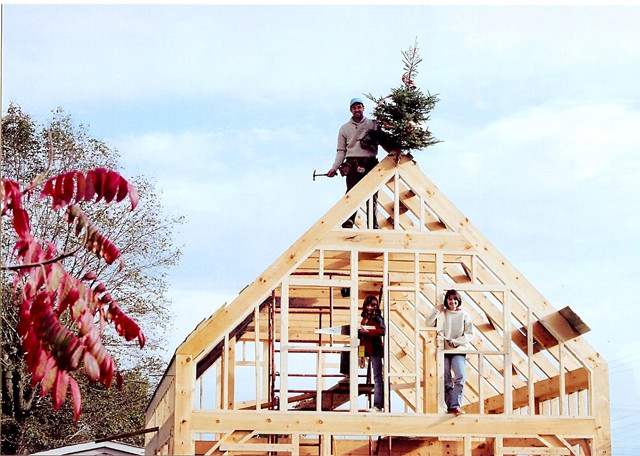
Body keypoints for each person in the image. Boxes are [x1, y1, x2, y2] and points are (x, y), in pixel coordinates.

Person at [327, 97, 380, 229]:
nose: (357, 109)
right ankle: (349, 221)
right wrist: (334, 168)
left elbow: (383, 139)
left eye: (359, 107)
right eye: (354, 107)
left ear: (363, 108)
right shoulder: (344, 129)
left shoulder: (373, 124)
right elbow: (341, 150)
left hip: (370, 164)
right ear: (351, 110)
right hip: (352, 164)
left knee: (372, 195)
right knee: (352, 193)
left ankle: (373, 225)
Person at [426, 289, 474, 416]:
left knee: (460, 376)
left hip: (458, 350)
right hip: (444, 350)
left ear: (458, 301)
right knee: (445, 380)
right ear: (446, 300)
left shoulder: (464, 315)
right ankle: (451, 407)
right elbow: (428, 323)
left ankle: (456, 405)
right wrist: (436, 310)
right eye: (450, 299)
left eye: (455, 299)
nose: (452, 302)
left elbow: (470, 334)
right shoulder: (442, 314)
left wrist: (457, 341)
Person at [358, 295, 386, 412]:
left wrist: (368, 332)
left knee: (378, 377)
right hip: (368, 350)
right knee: (376, 377)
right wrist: (361, 356)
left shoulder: (378, 318)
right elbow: (362, 339)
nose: (369, 308)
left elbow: (382, 331)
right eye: (368, 305)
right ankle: (377, 404)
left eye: (372, 305)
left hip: (376, 350)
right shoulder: (364, 320)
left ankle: (378, 405)